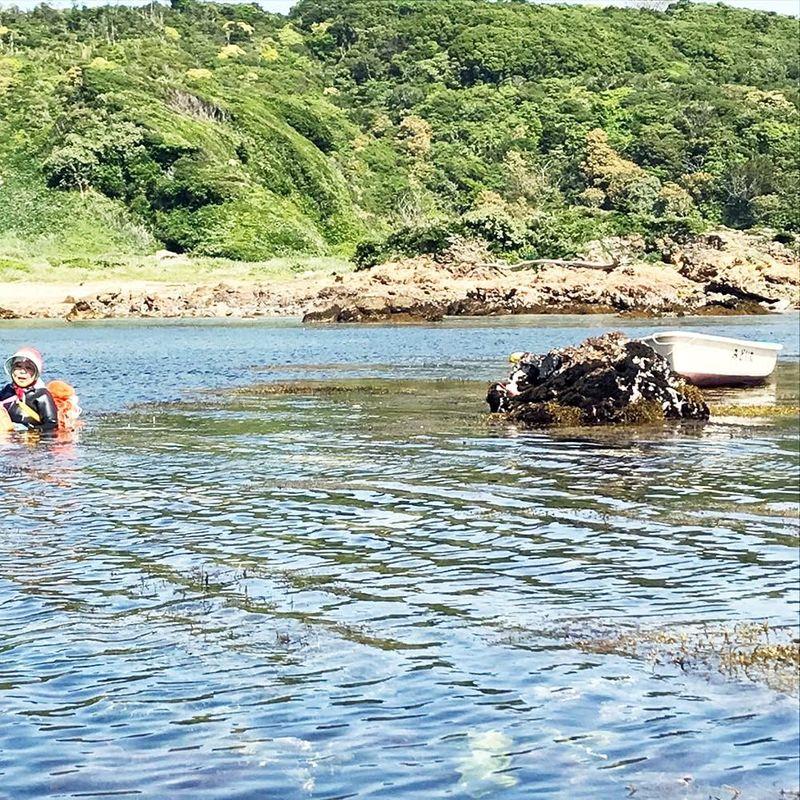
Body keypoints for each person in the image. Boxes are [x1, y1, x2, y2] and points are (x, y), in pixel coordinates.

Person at [0, 347, 59, 431]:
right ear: (12, 370)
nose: (22, 371)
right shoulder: (7, 390)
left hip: (30, 440)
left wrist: (30, 431)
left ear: (36, 373)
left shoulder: (41, 395)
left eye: (29, 368)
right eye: (18, 366)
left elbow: (52, 425)